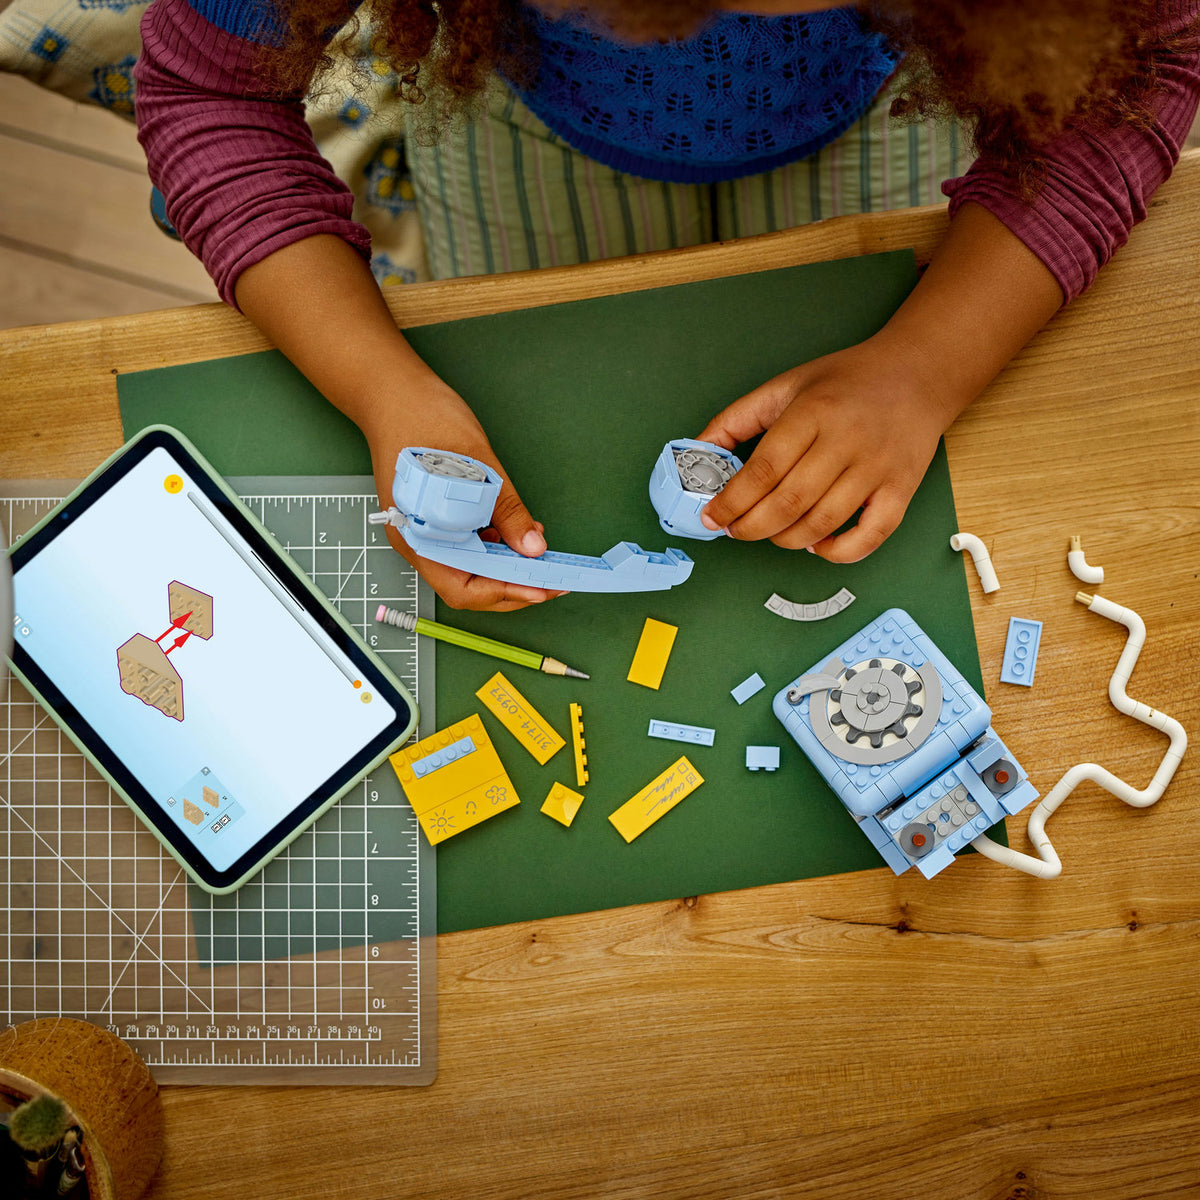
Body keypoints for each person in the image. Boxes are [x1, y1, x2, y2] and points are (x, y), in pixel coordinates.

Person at [134, 0, 1200, 611]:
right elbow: (206, 90)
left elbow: (1154, 59)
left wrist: (929, 364)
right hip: (525, 116)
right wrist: (380, 385)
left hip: (886, 103)